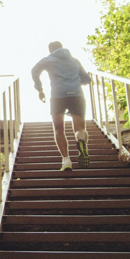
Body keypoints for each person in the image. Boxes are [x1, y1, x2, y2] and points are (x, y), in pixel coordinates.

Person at [31, 41, 91, 171]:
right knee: (80, 128)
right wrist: (75, 82)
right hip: (77, 95)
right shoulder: (74, 61)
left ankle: (66, 160)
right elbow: (87, 79)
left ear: (50, 50)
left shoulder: (48, 60)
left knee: (59, 128)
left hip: (58, 96)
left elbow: (34, 71)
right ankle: (81, 142)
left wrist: (39, 89)